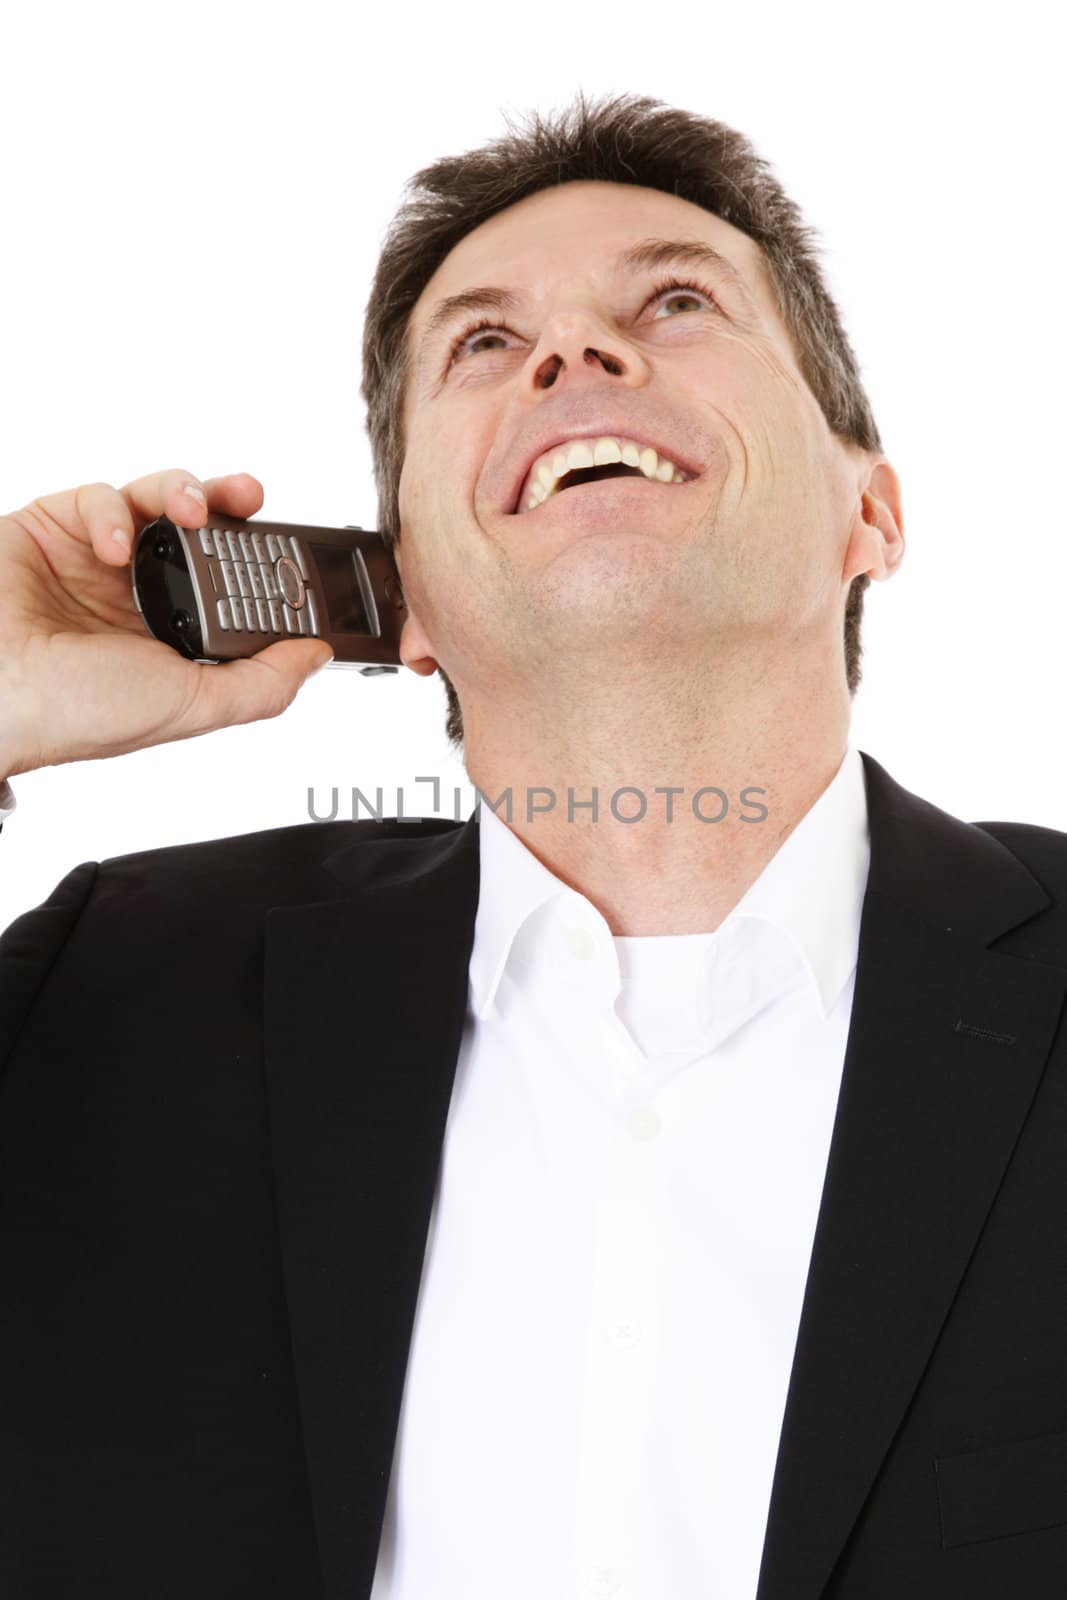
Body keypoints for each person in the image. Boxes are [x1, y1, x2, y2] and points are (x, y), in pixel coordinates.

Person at [2, 91, 1066, 1600]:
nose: (576, 355)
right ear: (401, 592)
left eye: (678, 299)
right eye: (485, 344)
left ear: (871, 511)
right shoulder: (94, 992)